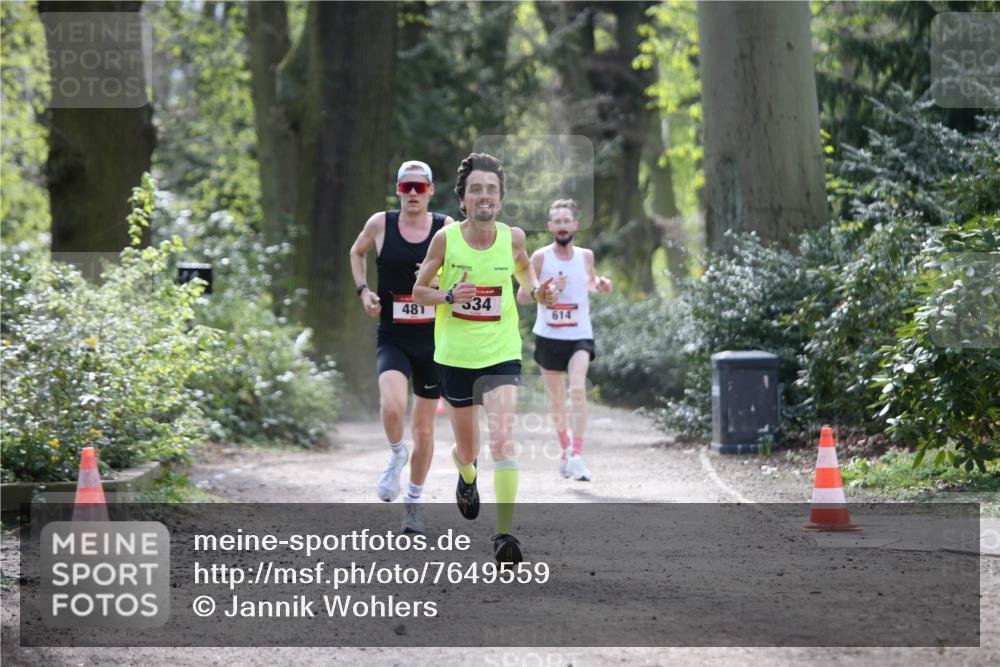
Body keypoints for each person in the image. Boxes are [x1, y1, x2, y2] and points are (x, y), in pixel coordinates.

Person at [413, 153, 558, 565]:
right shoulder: (446, 240)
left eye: (491, 189)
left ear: (500, 197)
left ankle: (504, 534)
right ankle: (466, 474)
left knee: (503, 439)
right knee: (468, 448)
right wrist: (447, 295)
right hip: (456, 357)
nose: (484, 196)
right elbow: (418, 290)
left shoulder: (513, 238)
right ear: (462, 198)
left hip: (501, 354)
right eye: (476, 189)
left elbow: (526, 280)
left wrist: (540, 293)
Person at [349, 160, 455, 533]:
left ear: (430, 191)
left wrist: (440, 280)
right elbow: (356, 252)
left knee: (425, 430)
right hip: (393, 333)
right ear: (398, 190)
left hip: (434, 340)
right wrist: (364, 291)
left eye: (419, 188)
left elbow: (465, 267)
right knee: (392, 406)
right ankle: (396, 454)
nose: (412, 194)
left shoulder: (446, 228)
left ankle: (413, 501)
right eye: (406, 187)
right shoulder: (381, 224)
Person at [516, 198, 613, 481]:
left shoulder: (586, 256)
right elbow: (522, 296)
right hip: (548, 336)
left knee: (578, 390)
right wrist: (543, 292)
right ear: (550, 226)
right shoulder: (540, 258)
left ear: (575, 224)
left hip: (579, 334)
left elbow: (591, 283)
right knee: (557, 400)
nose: (561, 226)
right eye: (556, 222)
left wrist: (602, 285)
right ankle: (565, 449)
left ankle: (577, 454)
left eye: (566, 221)